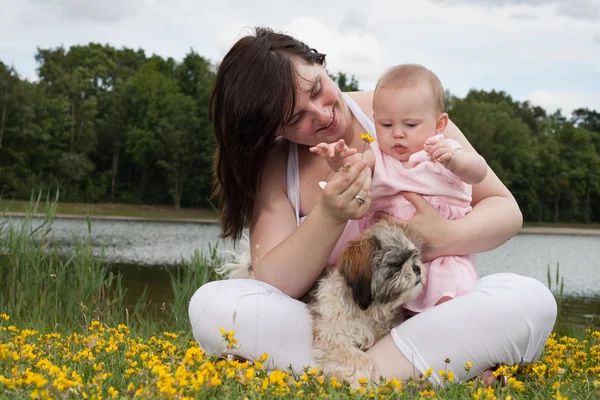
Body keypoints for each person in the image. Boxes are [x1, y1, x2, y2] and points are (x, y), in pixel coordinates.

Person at [188, 27, 557, 386]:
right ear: (274, 130)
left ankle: (352, 372)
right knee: (213, 305)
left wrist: (444, 237)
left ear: (318, 62)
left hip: (427, 314)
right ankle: (402, 369)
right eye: (296, 118)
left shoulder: (402, 110)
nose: (322, 114)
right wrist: (331, 214)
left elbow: (506, 210)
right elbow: (276, 284)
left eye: (317, 89)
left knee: (530, 301)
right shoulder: (275, 165)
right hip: (337, 324)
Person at [310, 64, 488, 313]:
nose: (398, 134)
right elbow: (355, 169)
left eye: (410, 125)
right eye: (386, 125)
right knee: (385, 303)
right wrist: (337, 160)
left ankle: (441, 331)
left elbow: (479, 172)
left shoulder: (441, 152)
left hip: (440, 257)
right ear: (375, 122)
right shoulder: (380, 158)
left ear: (440, 124)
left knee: (447, 300)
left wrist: (456, 161)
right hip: (389, 260)